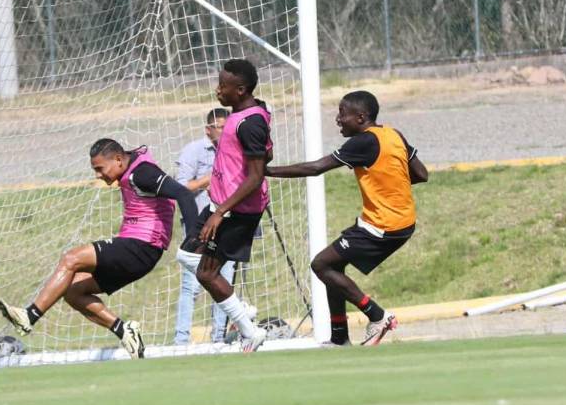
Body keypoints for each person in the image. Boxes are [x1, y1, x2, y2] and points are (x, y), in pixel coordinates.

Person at [0, 139, 200, 358]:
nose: (97, 175)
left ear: (119, 160)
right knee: (73, 291)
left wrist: (193, 239)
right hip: (137, 251)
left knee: (71, 258)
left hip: (142, 247)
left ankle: (30, 316)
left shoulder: (143, 173)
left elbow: (185, 195)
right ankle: (124, 331)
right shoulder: (130, 164)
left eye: (99, 169)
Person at [266, 90, 427, 346]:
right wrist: (390, 185)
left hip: (383, 226)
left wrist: (266, 171)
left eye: (343, 113)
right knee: (334, 264)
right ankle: (339, 336)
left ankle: (377, 315)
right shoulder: (393, 134)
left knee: (320, 265)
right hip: (403, 222)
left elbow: (316, 168)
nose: (338, 119)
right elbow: (421, 173)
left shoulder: (362, 142)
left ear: (361, 117)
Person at [187, 58, 272, 353]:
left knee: (206, 274)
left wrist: (221, 212)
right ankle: (240, 307)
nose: (217, 90)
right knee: (186, 255)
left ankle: (250, 332)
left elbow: (257, 174)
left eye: (223, 86)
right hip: (219, 205)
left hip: (236, 210)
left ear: (241, 89)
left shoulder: (251, 122)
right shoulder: (243, 114)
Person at [173, 108, 236, 344]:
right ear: (208, 129)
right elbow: (180, 188)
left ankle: (219, 337)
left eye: (228, 126)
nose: (225, 131)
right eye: (221, 126)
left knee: (223, 283)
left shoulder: (233, 151)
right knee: (192, 286)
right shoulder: (194, 150)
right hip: (198, 228)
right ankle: (181, 340)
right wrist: (209, 178)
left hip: (226, 226)